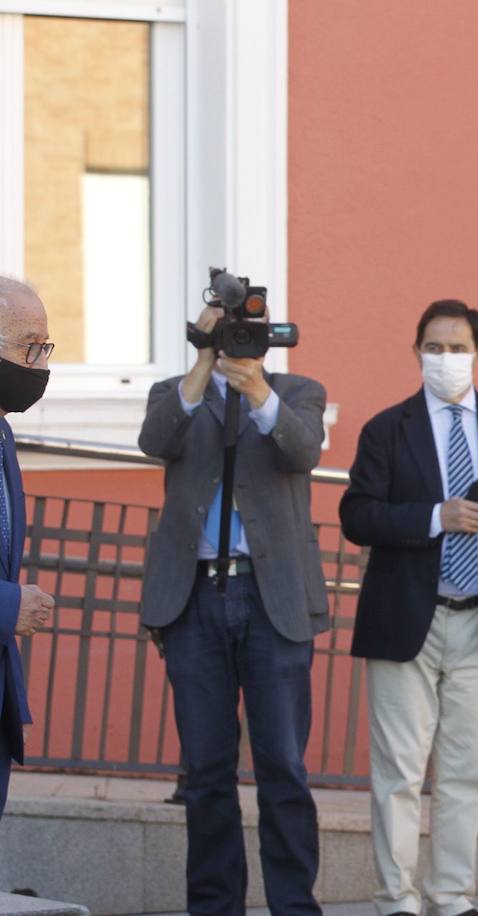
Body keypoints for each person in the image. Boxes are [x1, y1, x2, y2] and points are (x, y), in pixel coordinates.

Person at [340, 299, 478, 916]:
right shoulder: (387, 427)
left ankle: (452, 898)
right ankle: (396, 900)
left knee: (465, 774)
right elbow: (357, 514)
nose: (446, 359)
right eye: (434, 347)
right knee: (399, 775)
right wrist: (435, 517)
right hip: (408, 615)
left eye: (457, 348)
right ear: (416, 352)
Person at [139, 298, 329, 915]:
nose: (241, 342)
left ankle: (294, 907)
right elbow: (154, 441)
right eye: (229, 332)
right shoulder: (178, 392)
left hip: (272, 599)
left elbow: (302, 453)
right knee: (206, 772)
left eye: (249, 332)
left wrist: (256, 392)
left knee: (283, 767)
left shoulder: (297, 390)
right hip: (194, 596)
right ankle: (214, 906)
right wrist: (202, 363)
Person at [0, 278, 55, 820]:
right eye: (28, 346)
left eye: (46, 347)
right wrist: (10, 605)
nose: (40, 364)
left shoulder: (3, 434)